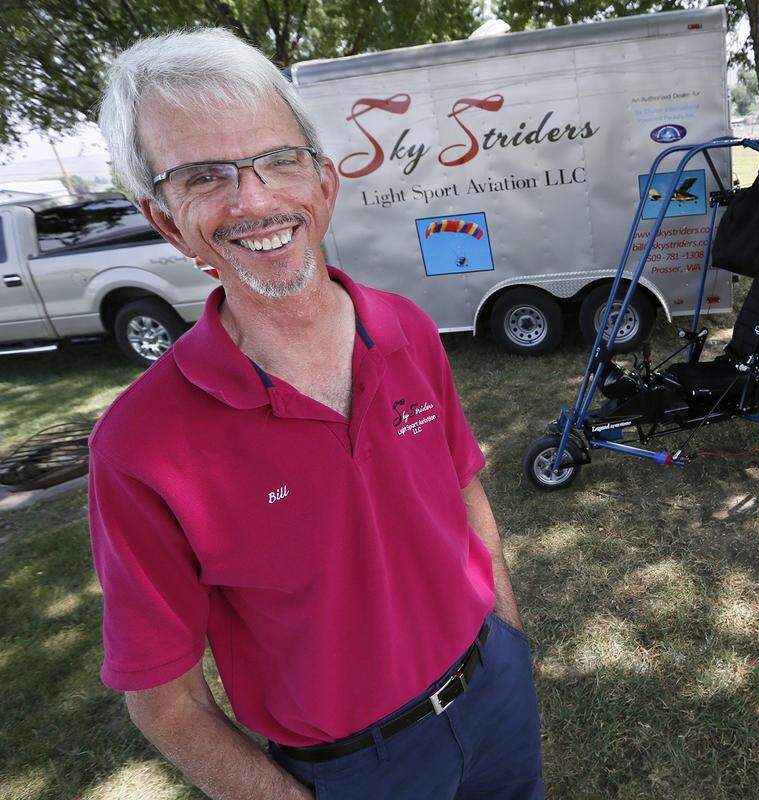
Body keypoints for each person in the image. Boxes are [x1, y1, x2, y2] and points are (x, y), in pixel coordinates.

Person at [88, 28, 543, 799]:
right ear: (166, 219)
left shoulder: (406, 328)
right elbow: (164, 698)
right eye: (204, 176)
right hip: (355, 773)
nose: (254, 199)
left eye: (277, 159)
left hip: (496, 692)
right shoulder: (139, 446)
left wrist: (508, 638)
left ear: (324, 183)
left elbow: (466, 493)